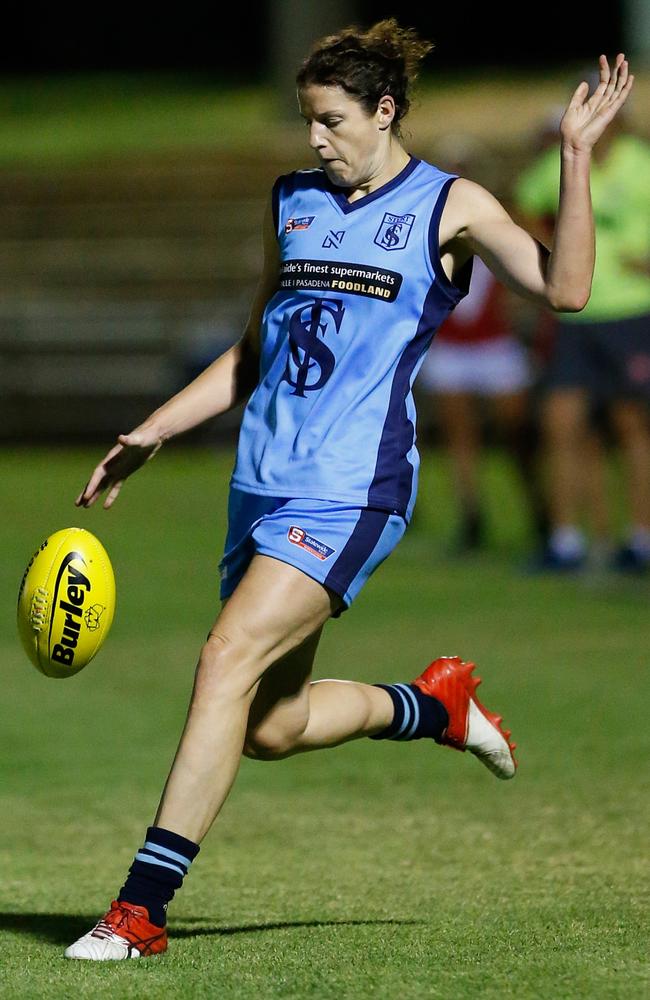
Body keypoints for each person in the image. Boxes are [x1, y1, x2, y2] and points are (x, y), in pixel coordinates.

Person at [64, 21, 633, 960]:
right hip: (262, 485)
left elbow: (564, 288)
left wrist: (574, 155)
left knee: (224, 658)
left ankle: (139, 910)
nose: (316, 141)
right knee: (273, 725)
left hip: (350, 491)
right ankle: (433, 708)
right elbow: (258, 349)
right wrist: (156, 430)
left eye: (332, 121)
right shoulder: (293, 201)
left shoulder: (451, 206)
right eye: (308, 123)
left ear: (386, 109)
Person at [515, 94, 650, 571]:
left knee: (632, 425)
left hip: (632, 313)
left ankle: (640, 537)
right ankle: (566, 539)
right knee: (561, 423)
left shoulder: (642, 163)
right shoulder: (563, 160)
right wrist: (550, 252)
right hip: (574, 317)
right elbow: (525, 204)